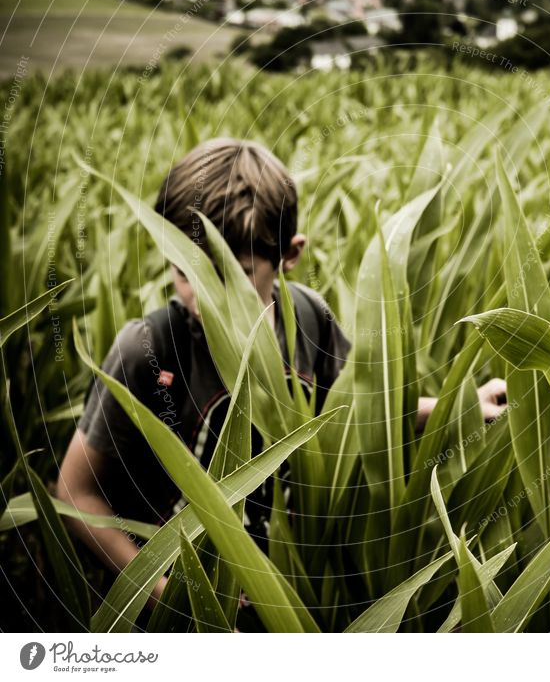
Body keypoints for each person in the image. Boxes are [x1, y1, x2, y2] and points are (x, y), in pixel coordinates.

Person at [56, 138, 506, 605]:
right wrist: (166, 599)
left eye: (234, 274)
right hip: (184, 605)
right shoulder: (149, 349)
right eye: (189, 272)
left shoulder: (309, 320)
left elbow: (360, 413)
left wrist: (459, 408)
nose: (206, 295)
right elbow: (74, 493)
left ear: (289, 255)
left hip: (293, 592)